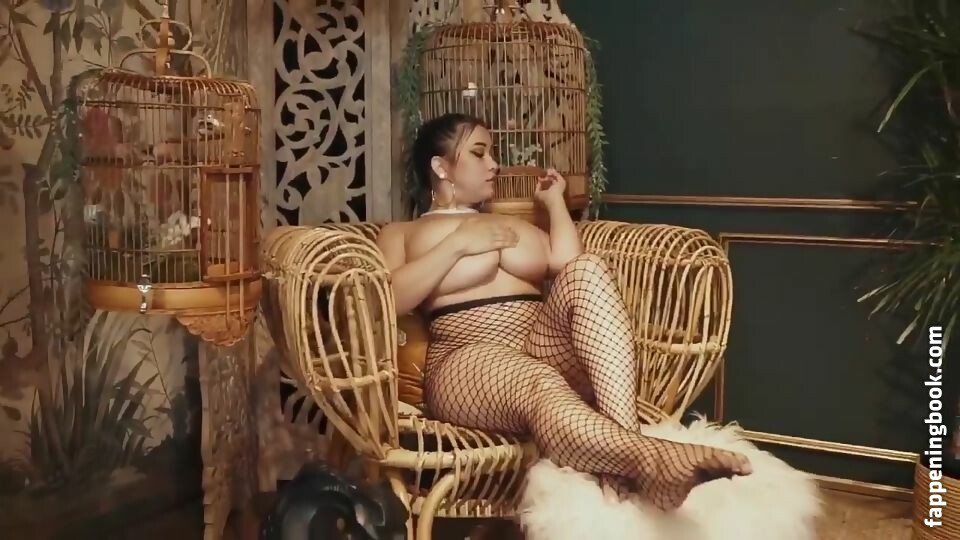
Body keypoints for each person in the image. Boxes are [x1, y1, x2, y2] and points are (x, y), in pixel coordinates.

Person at [375, 113, 752, 511]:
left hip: (538, 344)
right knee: (538, 380)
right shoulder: (401, 233)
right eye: (479, 153)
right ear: (441, 167)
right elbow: (387, 299)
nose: (494, 164)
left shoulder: (508, 224)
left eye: (493, 153)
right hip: (466, 361)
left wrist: (555, 202)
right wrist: (457, 244)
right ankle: (650, 460)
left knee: (588, 268)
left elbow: (567, 264)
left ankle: (623, 466)